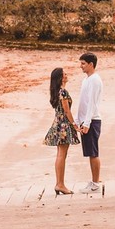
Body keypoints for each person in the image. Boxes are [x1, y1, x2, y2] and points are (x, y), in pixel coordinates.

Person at [42, 67, 79, 195]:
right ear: (60, 78)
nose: (66, 75)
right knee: (62, 155)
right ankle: (60, 184)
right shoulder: (63, 92)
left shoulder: (57, 92)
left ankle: (59, 183)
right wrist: (74, 124)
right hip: (63, 125)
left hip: (57, 123)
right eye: (64, 74)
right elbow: (66, 110)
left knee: (60, 155)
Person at [76, 52, 103, 192]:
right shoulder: (86, 80)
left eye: (83, 64)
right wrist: (77, 120)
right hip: (85, 120)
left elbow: (92, 104)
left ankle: (96, 184)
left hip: (92, 120)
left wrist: (86, 123)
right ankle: (93, 181)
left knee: (93, 152)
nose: (81, 66)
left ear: (91, 64)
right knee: (89, 152)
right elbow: (82, 102)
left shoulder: (95, 80)